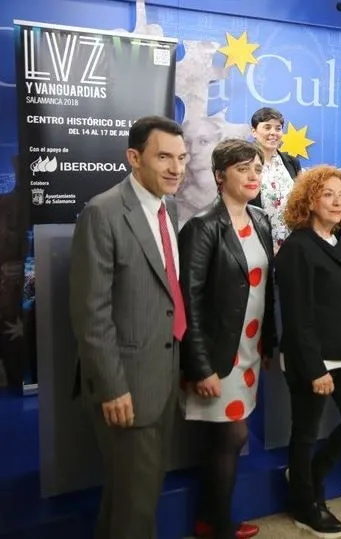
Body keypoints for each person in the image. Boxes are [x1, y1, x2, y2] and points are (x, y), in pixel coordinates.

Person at [68, 116, 188, 539]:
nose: (176, 168)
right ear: (134, 158)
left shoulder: (166, 208)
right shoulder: (103, 212)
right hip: (126, 384)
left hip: (163, 375)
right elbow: (91, 312)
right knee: (136, 505)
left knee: (132, 494)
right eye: (164, 157)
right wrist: (113, 386)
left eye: (181, 158)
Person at [178, 139, 276, 539]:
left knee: (228, 438)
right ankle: (216, 525)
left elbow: (266, 290)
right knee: (232, 434)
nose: (253, 176)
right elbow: (190, 303)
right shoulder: (202, 226)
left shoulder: (261, 219)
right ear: (220, 176)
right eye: (242, 169)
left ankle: (208, 518)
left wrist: (268, 341)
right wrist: (199, 366)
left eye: (256, 168)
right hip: (218, 354)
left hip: (250, 351)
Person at [276, 165, 341, 537]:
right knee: (304, 433)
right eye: (327, 194)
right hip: (311, 359)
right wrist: (316, 370)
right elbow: (298, 319)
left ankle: (308, 475)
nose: (337, 201)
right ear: (309, 200)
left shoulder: (337, 240)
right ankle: (304, 505)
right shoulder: (297, 249)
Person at [248, 107, 302, 251]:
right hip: (257, 240)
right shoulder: (244, 163)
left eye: (278, 128)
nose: (273, 133)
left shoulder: (292, 162)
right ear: (253, 131)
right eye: (267, 127)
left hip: (290, 242)